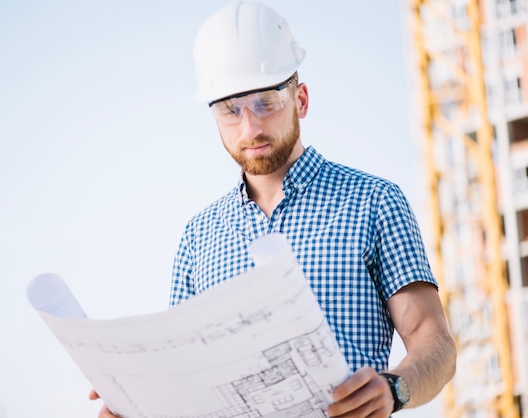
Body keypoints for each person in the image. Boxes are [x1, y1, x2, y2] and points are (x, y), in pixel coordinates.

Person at [90, 2, 456, 417]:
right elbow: (186, 388)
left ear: (300, 99)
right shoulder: (198, 238)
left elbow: (434, 342)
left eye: (266, 102)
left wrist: (394, 389)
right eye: (230, 110)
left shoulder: (374, 202)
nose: (250, 128)